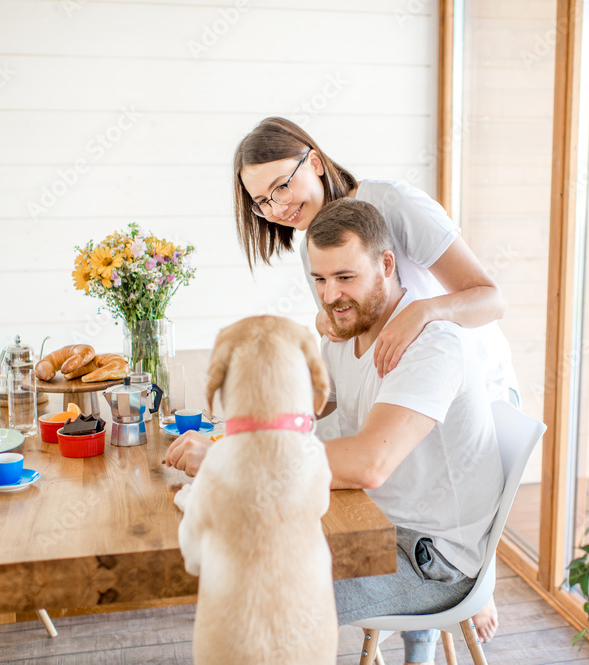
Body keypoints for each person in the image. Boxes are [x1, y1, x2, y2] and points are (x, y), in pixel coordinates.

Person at [166, 199, 504, 665]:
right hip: (371, 523)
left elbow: (369, 463)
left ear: (386, 265)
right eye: (320, 280)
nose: (330, 297)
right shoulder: (347, 330)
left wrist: (228, 459)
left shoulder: (434, 347)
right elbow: (298, 415)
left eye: (345, 278)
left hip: (431, 560)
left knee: (259, 581)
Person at [233, 116, 518, 410]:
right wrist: (326, 322)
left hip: (478, 391)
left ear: (315, 163)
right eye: (263, 202)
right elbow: (355, 326)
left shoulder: (395, 204)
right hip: (410, 395)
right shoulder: (312, 247)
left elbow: (491, 300)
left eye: (281, 187)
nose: (277, 209)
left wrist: (423, 311)